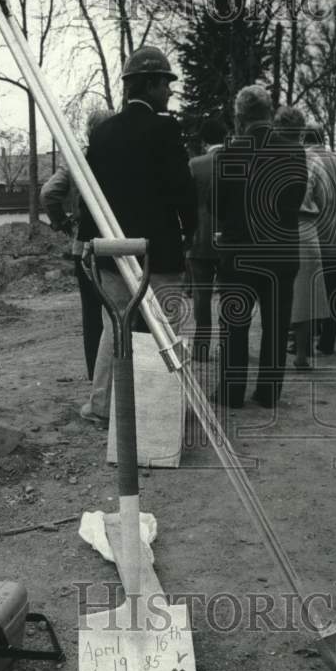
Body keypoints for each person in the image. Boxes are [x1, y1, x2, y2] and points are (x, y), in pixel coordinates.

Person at [77, 46, 197, 425]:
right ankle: (172, 405)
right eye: (166, 83)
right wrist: (191, 234)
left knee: (115, 329)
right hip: (158, 254)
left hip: (111, 251)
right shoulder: (165, 130)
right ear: (149, 84)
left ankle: (100, 405)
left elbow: (88, 194)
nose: (169, 92)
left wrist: (87, 240)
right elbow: (183, 191)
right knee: (167, 326)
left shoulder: (103, 134)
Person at [214, 85, 307, 409]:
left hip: (240, 249)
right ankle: (269, 392)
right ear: (270, 113)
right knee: (277, 324)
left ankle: (232, 390)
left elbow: (217, 206)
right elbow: (296, 199)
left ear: (239, 116)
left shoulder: (229, 152)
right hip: (281, 248)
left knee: (235, 323)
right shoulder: (294, 152)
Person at [40, 107, 112, 381]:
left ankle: (95, 374)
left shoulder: (75, 159)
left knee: (91, 314)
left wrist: (62, 223)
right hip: (119, 243)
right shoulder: (121, 158)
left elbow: (48, 193)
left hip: (83, 245)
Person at [274, 107, 329, 369]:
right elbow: (324, 199)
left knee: (278, 292)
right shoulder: (312, 162)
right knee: (306, 295)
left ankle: (274, 351)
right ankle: (302, 355)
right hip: (307, 229)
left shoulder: (270, 157)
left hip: (276, 228)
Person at [186, 116, 226, 360]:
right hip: (230, 239)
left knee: (201, 295)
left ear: (203, 140)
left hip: (200, 237)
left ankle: (201, 348)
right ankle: (228, 344)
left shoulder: (194, 165)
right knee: (231, 293)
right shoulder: (238, 163)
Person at [308, 128, 336, 356]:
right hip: (333, 231)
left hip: (312, 232)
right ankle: (328, 339)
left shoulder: (306, 160)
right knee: (332, 288)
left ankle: (308, 335)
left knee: (310, 287)